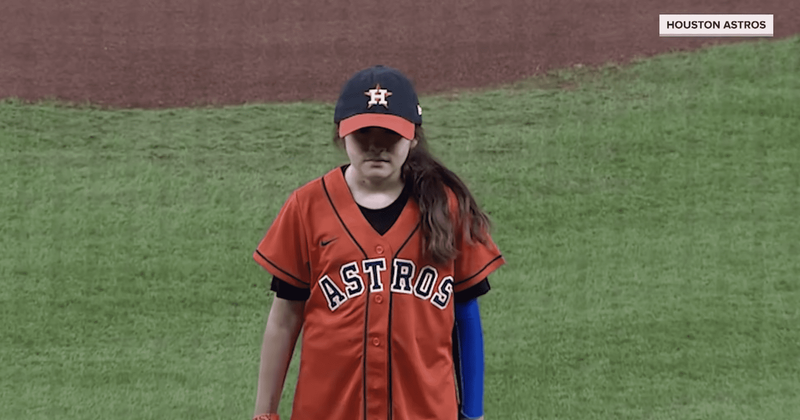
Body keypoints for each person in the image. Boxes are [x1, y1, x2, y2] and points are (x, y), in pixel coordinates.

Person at [251, 65, 505, 420]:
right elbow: (284, 318)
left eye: (389, 135)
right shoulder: (307, 207)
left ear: (413, 138)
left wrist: (473, 413)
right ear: (341, 136)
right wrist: (265, 414)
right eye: (362, 134)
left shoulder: (446, 207)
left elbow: (464, 316)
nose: (375, 147)